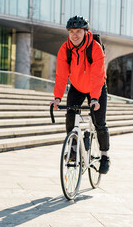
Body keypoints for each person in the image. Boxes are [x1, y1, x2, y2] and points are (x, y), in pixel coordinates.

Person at [50, 15, 110, 174]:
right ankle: (74, 149)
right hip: (76, 86)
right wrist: (57, 98)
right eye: (71, 31)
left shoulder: (95, 48)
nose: (74, 35)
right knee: (70, 115)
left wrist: (95, 98)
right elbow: (61, 76)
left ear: (85, 32)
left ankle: (104, 156)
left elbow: (97, 76)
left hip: (96, 87)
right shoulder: (65, 49)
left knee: (99, 122)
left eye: (78, 31)